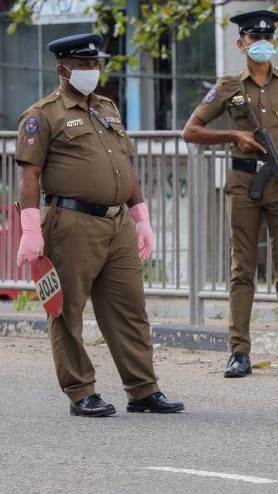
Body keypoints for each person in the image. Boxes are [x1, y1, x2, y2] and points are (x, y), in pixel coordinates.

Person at [15, 33, 184, 417]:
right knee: (66, 310)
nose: (93, 70)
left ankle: (143, 389)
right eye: (84, 64)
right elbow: (29, 174)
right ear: (63, 69)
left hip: (117, 222)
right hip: (71, 223)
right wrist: (30, 227)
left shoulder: (107, 108)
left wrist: (141, 216)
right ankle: (81, 391)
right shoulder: (42, 114)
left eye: (95, 63)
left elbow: (124, 164)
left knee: (130, 308)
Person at [182, 9, 278, 378]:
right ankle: (238, 351)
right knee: (242, 269)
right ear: (242, 44)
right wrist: (233, 136)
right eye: (255, 39)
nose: (262, 45)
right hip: (243, 183)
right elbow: (190, 131)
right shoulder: (228, 87)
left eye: (267, 38)